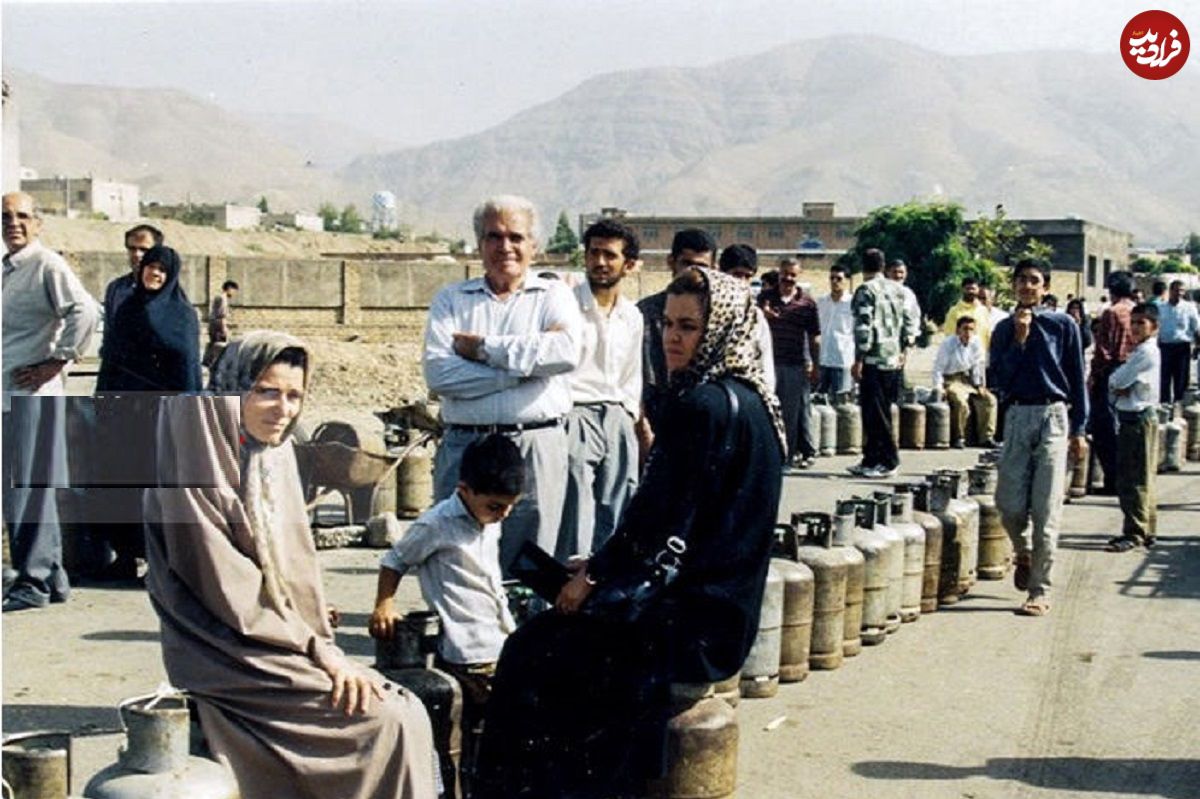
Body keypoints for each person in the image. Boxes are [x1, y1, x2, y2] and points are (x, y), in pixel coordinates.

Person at [474, 267, 786, 799]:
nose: (672, 337)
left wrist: (591, 578)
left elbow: (657, 519)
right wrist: (601, 568)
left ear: (721, 329)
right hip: (726, 620)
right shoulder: (757, 404)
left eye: (689, 326)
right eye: (667, 323)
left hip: (687, 625)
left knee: (532, 648)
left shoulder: (701, 406)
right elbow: (682, 521)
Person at [143, 332, 437, 799]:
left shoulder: (270, 452)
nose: (284, 409)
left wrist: (318, 634)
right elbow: (226, 588)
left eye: (295, 396)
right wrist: (317, 649)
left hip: (276, 634)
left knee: (408, 710)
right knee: (383, 722)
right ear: (235, 388)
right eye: (267, 392)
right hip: (222, 645)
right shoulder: (195, 450)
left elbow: (292, 567)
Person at [423, 195, 581, 572]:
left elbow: (563, 353)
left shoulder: (554, 295)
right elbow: (439, 374)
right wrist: (522, 369)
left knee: (531, 562)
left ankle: (528, 633)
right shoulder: (451, 301)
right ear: (480, 245)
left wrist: (482, 349)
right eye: (494, 236)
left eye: (516, 237)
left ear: (534, 246)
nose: (505, 247)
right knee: (457, 557)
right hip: (465, 445)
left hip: (534, 447)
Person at [370, 433, 522, 794]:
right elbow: (394, 560)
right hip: (469, 650)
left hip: (499, 637)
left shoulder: (490, 519)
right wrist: (384, 603)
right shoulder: (435, 524)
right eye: (495, 506)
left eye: (509, 506)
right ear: (465, 490)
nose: (503, 515)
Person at [2, 192, 100, 612]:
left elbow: (85, 312)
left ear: (38, 223)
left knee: (26, 489)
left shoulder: (46, 265)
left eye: (23, 216)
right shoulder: (9, 269)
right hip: (10, 396)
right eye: (6, 216)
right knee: (27, 488)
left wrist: (57, 360)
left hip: (32, 396)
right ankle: (52, 577)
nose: (14, 223)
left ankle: (33, 582)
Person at [989, 259, 1087, 617]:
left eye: (1034, 281)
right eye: (1021, 281)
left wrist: (1079, 428)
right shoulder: (1002, 328)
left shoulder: (1064, 326)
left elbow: (1077, 377)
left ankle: (1039, 590)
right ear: (1013, 286)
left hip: (1054, 416)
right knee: (1009, 504)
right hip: (1017, 415)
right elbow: (999, 377)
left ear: (1045, 287)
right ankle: (1023, 551)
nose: (1027, 286)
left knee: (1046, 509)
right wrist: (1019, 339)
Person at [558, 218, 643, 557]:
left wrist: (629, 415)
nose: (600, 263)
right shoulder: (564, 305)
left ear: (629, 264)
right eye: (594, 253)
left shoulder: (632, 315)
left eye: (610, 255)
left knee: (620, 504)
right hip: (574, 412)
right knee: (575, 507)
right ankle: (567, 592)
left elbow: (631, 374)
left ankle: (606, 588)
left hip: (617, 415)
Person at [637, 228, 716, 446]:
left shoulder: (719, 318)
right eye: (686, 264)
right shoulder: (645, 313)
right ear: (671, 262)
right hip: (656, 417)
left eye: (702, 267)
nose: (693, 272)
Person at [96, 244, 202, 393]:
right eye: (151, 266)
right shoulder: (127, 309)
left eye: (162, 270)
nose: (155, 273)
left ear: (171, 276)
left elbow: (189, 368)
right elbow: (111, 359)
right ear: (142, 268)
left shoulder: (183, 315)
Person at [849, 248, 910, 478]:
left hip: (874, 359)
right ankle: (870, 459)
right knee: (879, 410)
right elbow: (910, 322)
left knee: (876, 413)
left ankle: (888, 460)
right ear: (883, 266)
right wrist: (904, 349)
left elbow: (864, 327)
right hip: (893, 359)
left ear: (863, 267)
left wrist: (858, 359)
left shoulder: (866, 290)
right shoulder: (898, 289)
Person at [1106, 303, 1161, 553]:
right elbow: (1120, 383)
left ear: (1154, 327)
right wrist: (1120, 385)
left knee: (1133, 478)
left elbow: (1117, 380)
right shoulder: (1140, 351)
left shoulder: (1145, 353)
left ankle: (1135, 531)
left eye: (1142, 323)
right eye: (1134, 322)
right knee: (1141, 476)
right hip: (1135, 416)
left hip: (1137, 418)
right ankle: (1146, 528)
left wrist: (1119, 385)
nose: (1136, 327)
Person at [759, 255, 820, 468]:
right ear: (779, 274)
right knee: (766, 411)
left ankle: (787, 456)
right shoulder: (764, 298)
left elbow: (814, 337)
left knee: (790, 414)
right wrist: (763, 318)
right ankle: (768, 454)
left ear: (799, 276)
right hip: (768, 364)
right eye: (785, 275)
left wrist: (815, 365)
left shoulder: (807, 303)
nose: (788, 279)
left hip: (794, 364)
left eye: (793, 275)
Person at [1089, 271, 1137, 495]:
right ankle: (1127, 477)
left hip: (1111, 371)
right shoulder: (1137, 312)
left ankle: (1113, 480)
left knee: (1105, 428)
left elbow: (1104, 351)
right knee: (1125, 426)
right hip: (1133, 371)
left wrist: (1094, 376)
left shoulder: (1112, 313)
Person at [715, 244, 776, 390]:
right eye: (736, 274)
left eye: (747, 276)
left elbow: (765, 365)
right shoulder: (704, 312)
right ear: (721, 273)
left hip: (746, 394)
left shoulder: (755, 317)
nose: (742, 282)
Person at [932, 316, 997, 448]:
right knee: (960, 401)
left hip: (967, 379)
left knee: (989, 400)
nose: (968, 333)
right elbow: (938, 368)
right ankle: (959, 437)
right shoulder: (948, 344)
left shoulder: (976, 343)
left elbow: (978, 365)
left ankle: (986, 437)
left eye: (971, 329)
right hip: (950, 379)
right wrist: (939, 387)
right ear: (958, 330)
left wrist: (979, 385)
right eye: (965, 329)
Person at [102, 223, 164, 335]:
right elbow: (109, 332)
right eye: (132, 248)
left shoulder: (167, 291)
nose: (137, 254)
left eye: (144, 249)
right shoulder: (117, 289)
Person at [1155, 279, 1199, 404]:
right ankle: (1164, 406)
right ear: (1170, 291)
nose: (1179, 293)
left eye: (1182, 291)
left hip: (1182, 347)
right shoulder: (1160, 307)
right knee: (1164, 379)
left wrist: (1197, 346)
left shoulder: (1189, 307)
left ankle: (1178, 407)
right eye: (1177, 290)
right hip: (1165, 347)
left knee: (1181, 380)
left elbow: (1196, 328)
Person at [816, 264, 855, 397]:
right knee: (819, 402)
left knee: (841, 403)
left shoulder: (852, 303)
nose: (834, 282)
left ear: (847, 280)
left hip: (842, 360)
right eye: (832, 278)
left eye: (838, 279)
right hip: (823, 359)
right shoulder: (822, 302)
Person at [943, 276, 992, 349]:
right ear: (962, 289)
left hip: (981, 356)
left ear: (978, 290)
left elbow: (988, 334)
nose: (971, 291)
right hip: (961, 355)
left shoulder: (983, 310)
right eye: (968, 289)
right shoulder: (954, 311)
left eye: (973, 289)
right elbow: (950, 336)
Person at [887, 258, 922, 353]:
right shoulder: (881, 292)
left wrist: (912, 336)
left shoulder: (909, 294)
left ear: (906, 274)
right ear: (888, 273)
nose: (898, 275)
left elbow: (914, 316)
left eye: (901, 272)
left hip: (901, 343)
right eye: (894, 272)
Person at [205, 279, 239, 368]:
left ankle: (210, 363)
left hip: (213, 325)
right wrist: (224, 329)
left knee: (214, 345)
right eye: (234, 290)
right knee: (220, 346)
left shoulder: (218, 297)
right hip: (218, 327)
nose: (234, 293)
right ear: (229, 288)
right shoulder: (223, 299)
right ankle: (214, 365)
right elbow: (221, 316)